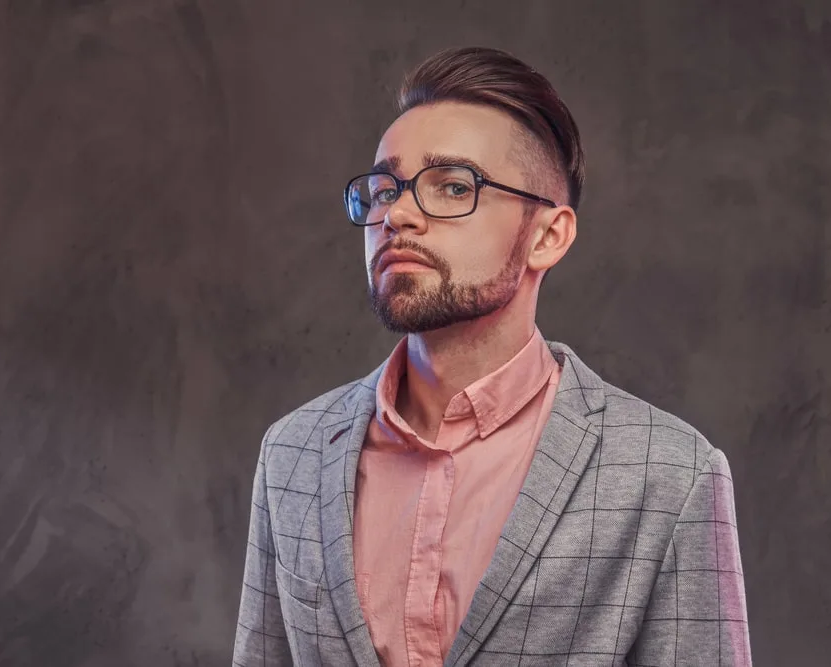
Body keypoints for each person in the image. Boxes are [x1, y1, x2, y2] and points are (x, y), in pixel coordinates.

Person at [233, 46, 751, 666]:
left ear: (547, 236)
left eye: (453, 187)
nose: (396, 214)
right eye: (382, 190)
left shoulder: (671, 474)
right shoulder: (291, 452)